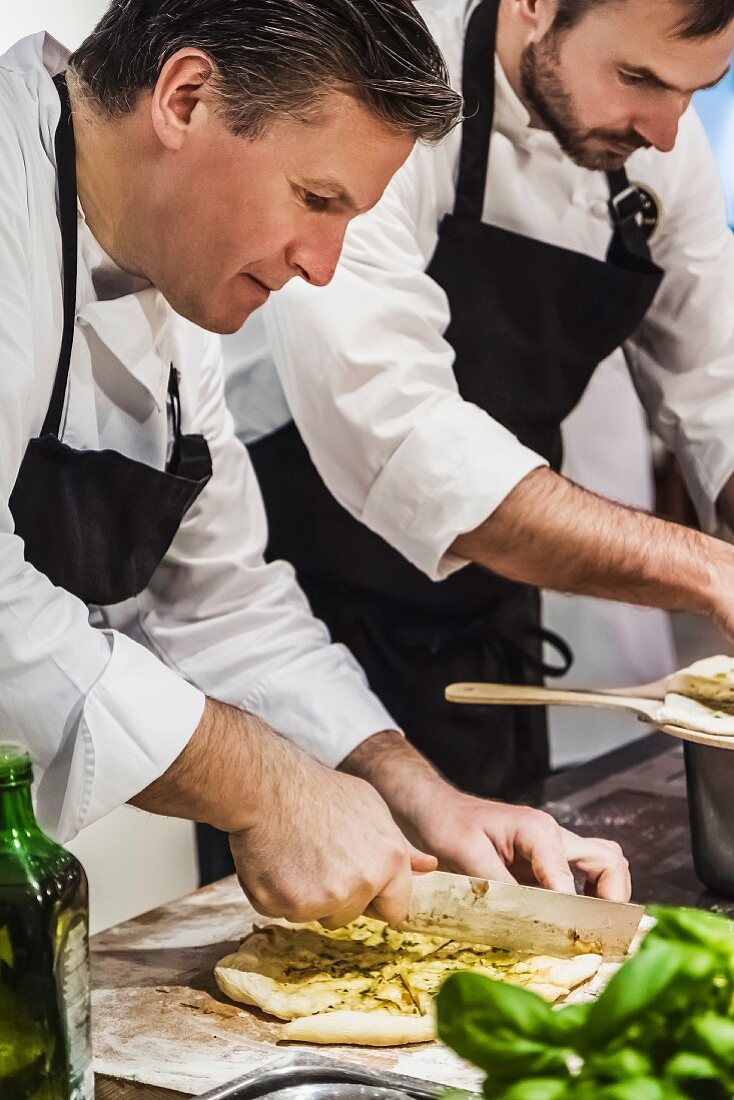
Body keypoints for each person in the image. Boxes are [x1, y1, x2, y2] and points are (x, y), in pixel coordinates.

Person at [0, 0, 629, 928]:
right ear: (186, 98)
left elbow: (223, 603)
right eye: (316, 199)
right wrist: (264, 788)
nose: (323, 267)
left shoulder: (174, 285)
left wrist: (420, 795)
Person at [224, 0, 734, 802]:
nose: (666, 131)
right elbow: (403, 434)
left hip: (489, 623)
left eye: (695, 92)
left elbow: (718, 389)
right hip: (301, 619)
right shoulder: (372, 79)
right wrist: (707, 571)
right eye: (636, 78)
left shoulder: (663, 145)